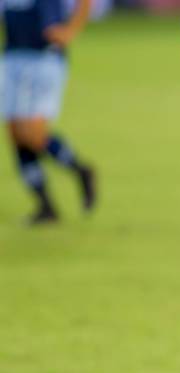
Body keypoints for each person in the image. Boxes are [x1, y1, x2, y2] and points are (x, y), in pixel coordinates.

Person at [2, 0, 95, 224]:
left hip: (43, 58)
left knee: (32, 133)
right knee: (15, 132)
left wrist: (71, 29)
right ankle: (45, 206)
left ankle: (80, 169)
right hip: (12, 55)